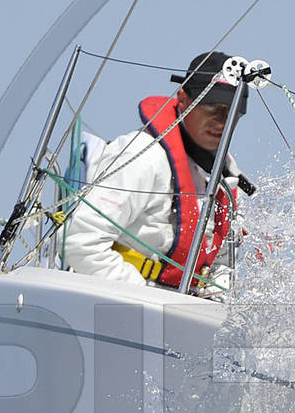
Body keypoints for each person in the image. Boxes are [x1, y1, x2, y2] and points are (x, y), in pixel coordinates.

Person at [61, 50, 256, 291]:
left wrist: (215, 296)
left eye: (231, 111)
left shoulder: (226, 177)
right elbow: (79, 242)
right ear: (183, 99)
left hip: (179, 302)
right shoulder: (143, 157)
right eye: (211, 107)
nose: (221, 120)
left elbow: (221, 263)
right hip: (123, 294)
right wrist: (141, 295)